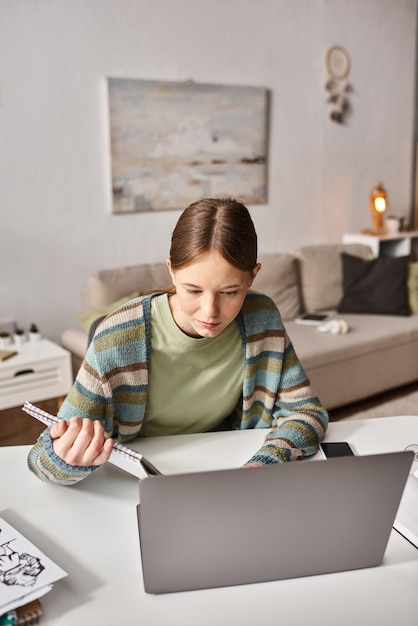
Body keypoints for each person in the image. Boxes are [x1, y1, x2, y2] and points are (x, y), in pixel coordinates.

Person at [28, 196, 328, 485]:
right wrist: (65, 458)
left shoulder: (262, 317)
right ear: (171, 271)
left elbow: (306, 412)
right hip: (136, 481)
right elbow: (40, 461)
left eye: (229, 292)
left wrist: (265, 463)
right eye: (193, 290)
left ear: (252, 277)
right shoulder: (118, 338)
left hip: (226, 466)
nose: (210, 311)